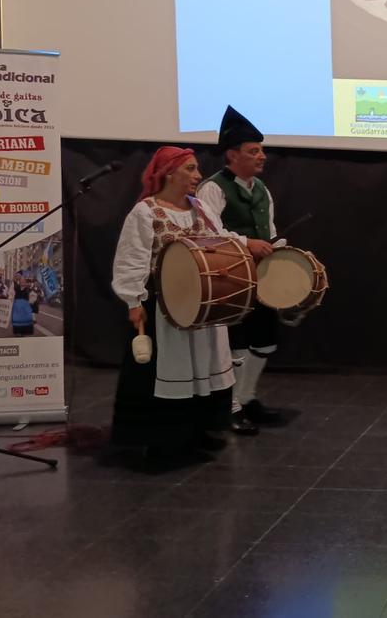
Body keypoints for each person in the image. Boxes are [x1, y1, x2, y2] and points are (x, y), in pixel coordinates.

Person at [110, 146, 270, 463]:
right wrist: (133, 301)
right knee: (172, 371)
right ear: (169, 172)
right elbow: (131, 260)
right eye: (191, 169)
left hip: (203, 307)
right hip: (168, 308)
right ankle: (167, 439)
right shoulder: (146, 212)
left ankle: (200, 432)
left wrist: (246, 244)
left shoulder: (200, 208)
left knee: (205, 368)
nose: (198, 176)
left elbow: (221, 238)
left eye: (197, 169)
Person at [197, 106, 280, 435]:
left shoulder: (262, 190)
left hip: (259, 279)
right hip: (228, 279)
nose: (262, 156)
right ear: (232, 155)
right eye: (254, 151)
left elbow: (270, 232)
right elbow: (208, 234)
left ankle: (248, 398)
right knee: (236, 345)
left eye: (261, 150)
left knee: (265, 341)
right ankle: (230, 407)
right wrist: (247, 243)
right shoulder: (213, 189)